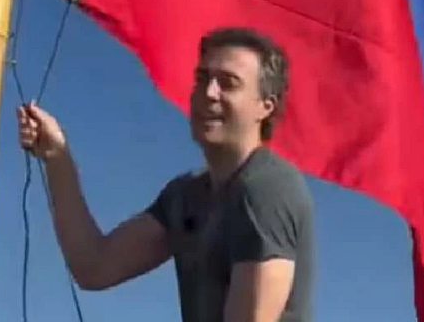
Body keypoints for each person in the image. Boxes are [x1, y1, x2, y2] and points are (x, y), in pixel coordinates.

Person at [17, 27, 315, 321]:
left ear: (265, 106)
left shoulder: (267, 187)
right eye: (202, 79)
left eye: (228, 83)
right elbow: (95, 266)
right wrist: (56, 155)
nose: (209, 93)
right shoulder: (185, 197)